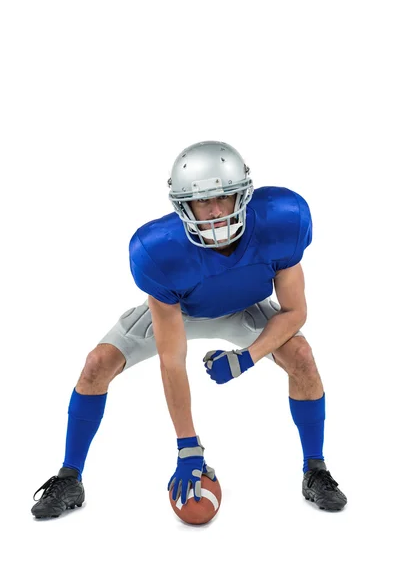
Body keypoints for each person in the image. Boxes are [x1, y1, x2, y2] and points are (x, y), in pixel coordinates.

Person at [31, 140, 347, 519]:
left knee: (302, 357)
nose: (214, 211)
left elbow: (295, 312)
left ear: (242, 195)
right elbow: (172, 360)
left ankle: (316, 469)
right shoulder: (159, 252)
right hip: (179, 309)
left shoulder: (283, 221)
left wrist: (247, 358)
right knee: (97, 363)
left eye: (224, 197)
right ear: (184, 207)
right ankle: (69, 476)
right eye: (202, 201)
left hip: (243, 306)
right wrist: (188, 446)